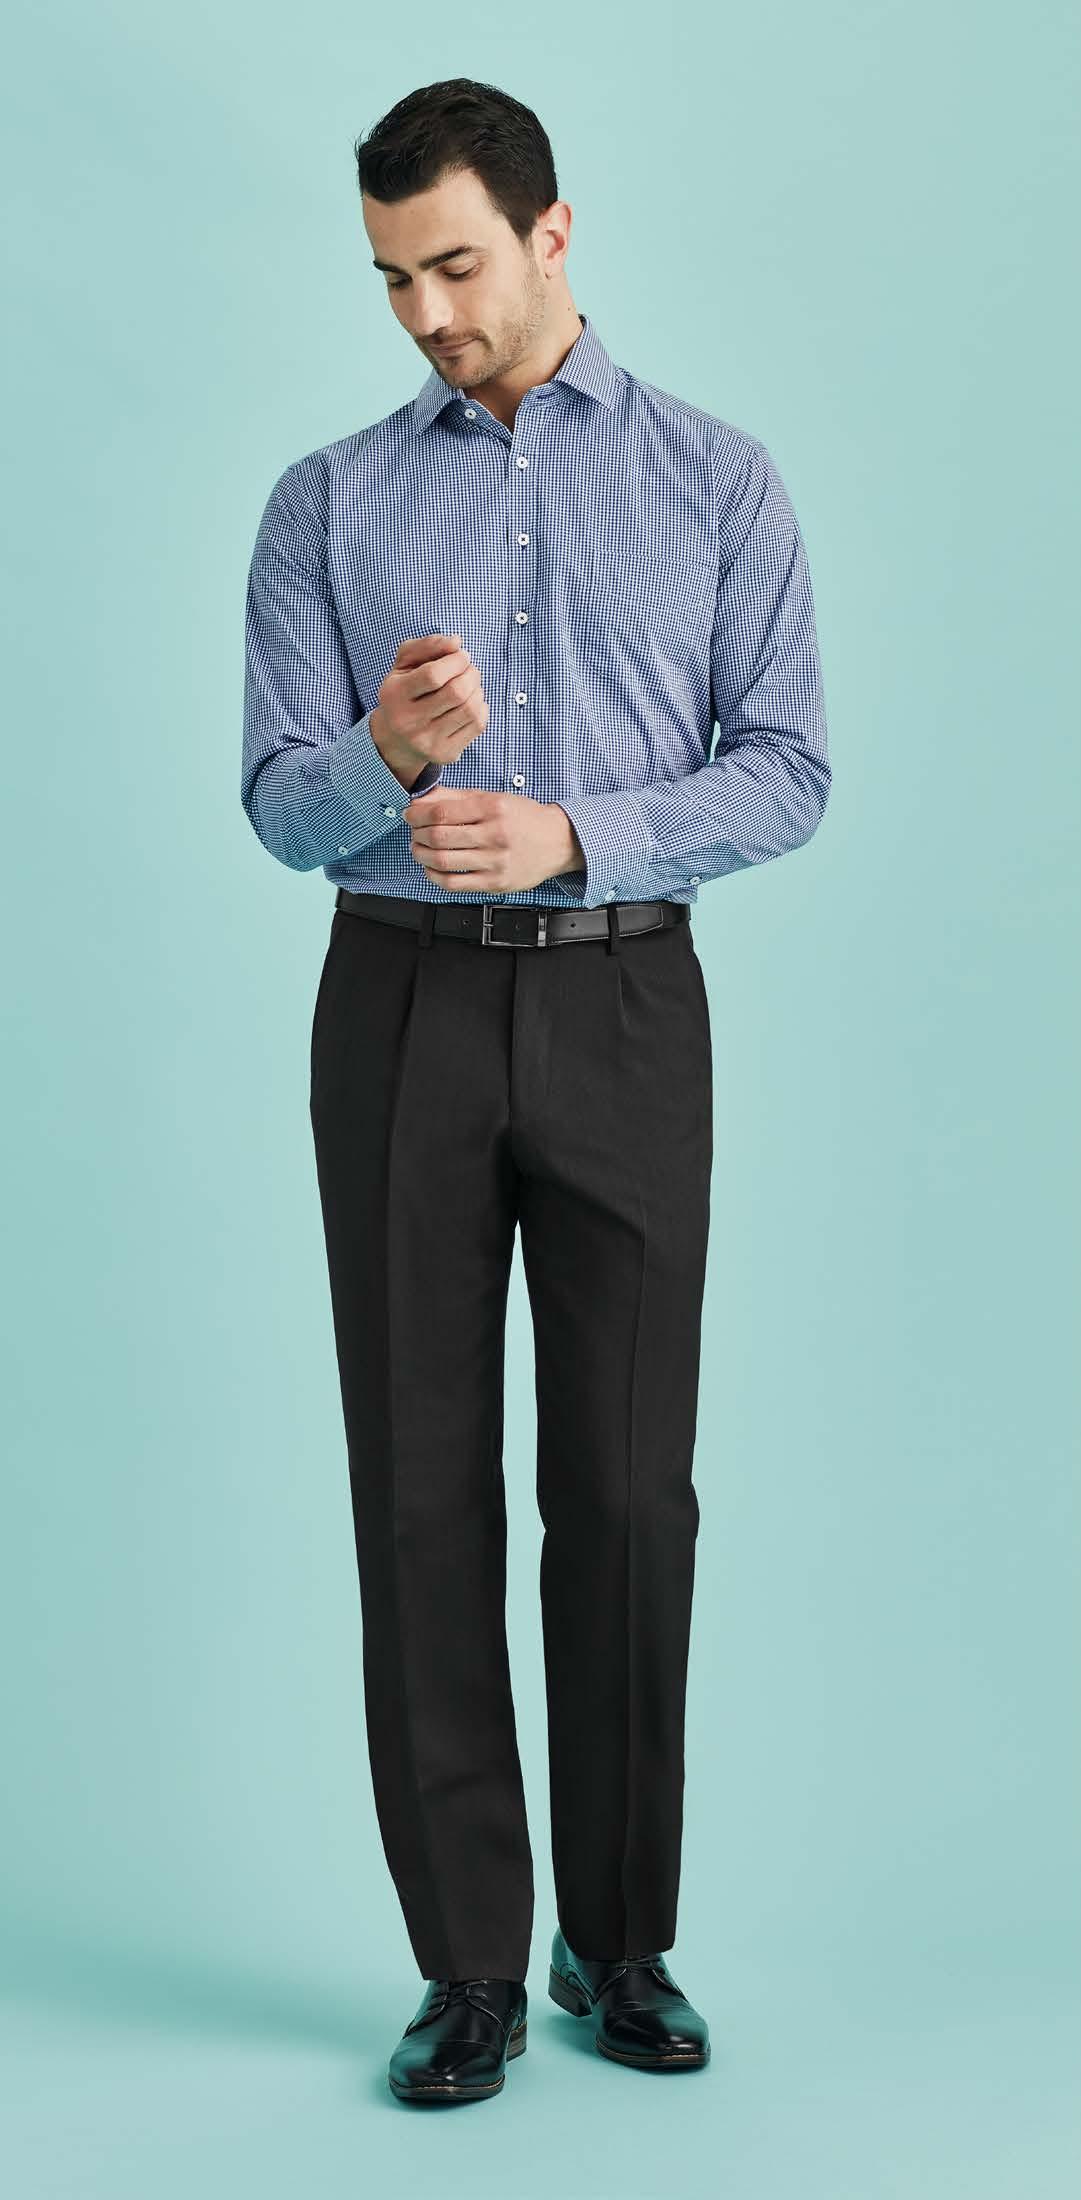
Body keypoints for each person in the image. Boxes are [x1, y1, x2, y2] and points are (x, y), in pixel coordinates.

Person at [241, 75, 830, 2107]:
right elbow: (278, 807)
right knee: (418, 1489)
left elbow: (789, 765)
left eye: (457, 265)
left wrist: (579, 832)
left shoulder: (718, 480)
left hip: (627, 1005)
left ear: (552, 235)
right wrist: (386, 759)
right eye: (392, 280)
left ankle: (619, 1935)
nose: (427, 313)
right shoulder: (322, 504)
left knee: (628, 1489)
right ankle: (467, 1967)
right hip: (394, 1008)